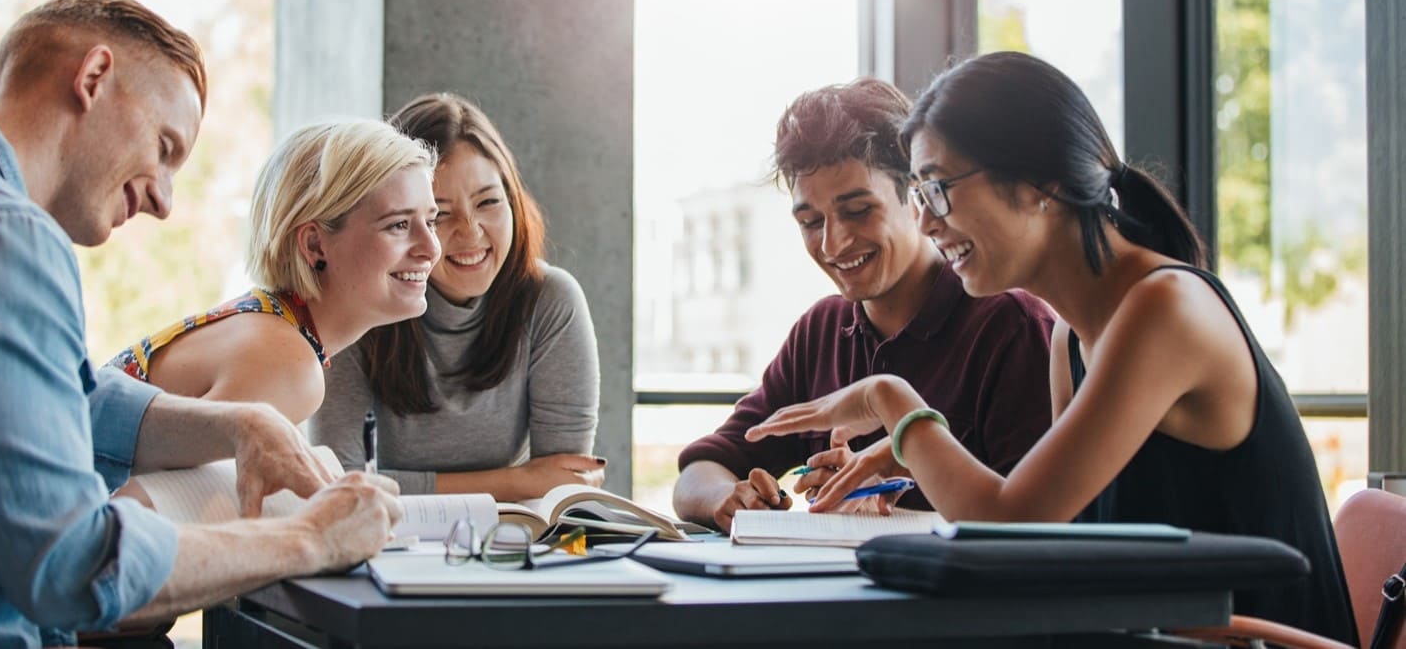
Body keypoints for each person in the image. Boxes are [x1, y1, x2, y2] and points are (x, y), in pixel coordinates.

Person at [745, 52, 1355, 643]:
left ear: (1041, 183)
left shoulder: (1163, 309)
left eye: (939, 190)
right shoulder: (1072, 336)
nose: (927, 222)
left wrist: (893, 403)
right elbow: (1052, 542)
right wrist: (910, 457)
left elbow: (1011, 525)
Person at [0, 0, 404, 648]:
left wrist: (239, 424)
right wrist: (308, 537)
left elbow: (57, 402)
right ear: (93, 79)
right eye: (165, 148)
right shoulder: (4, 237)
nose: (164, 202)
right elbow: (70, 566)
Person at [672, 77, 1055, 532]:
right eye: (811, 222)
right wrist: (728, 499)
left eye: (857, 211)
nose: (833, 243)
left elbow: (1033, 524)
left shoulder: (1010, 325)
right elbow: (700, 470)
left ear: (916, 197)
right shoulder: (821, 331)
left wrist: (898, 487)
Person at [312, 93, 603, 501]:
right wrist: (516, 481)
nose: (470, 233)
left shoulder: (550, 301)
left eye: (488, 202)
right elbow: (339, 484)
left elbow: (562, 483)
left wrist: (532, 484)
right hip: (385, 542)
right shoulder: (358, 302)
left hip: (512, 543)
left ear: (514, 201)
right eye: (440, 214)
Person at [106, 118, 441, 425]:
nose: (431, 248)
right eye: (398, 225)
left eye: (431, 221)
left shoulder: (273, 326)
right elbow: (134, 491)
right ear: (314, 245)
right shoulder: (288, 366)